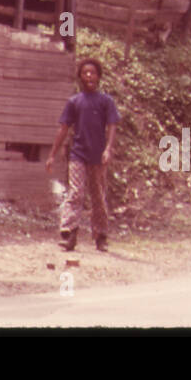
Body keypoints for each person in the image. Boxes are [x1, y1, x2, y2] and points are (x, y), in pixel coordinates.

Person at [46, 58, 119, 252]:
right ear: (80, 77)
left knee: (98, 196)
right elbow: (63, 129)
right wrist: (52, 154)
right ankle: (69, 233)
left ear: (98, 77)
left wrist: (108, 149)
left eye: (93, 73)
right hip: (78, 154)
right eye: (85, 73)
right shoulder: (74, 102)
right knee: (75, 193)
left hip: (98, 156)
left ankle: (101, 236)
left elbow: (112, 126)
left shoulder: (106, 101)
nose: (89, 76)